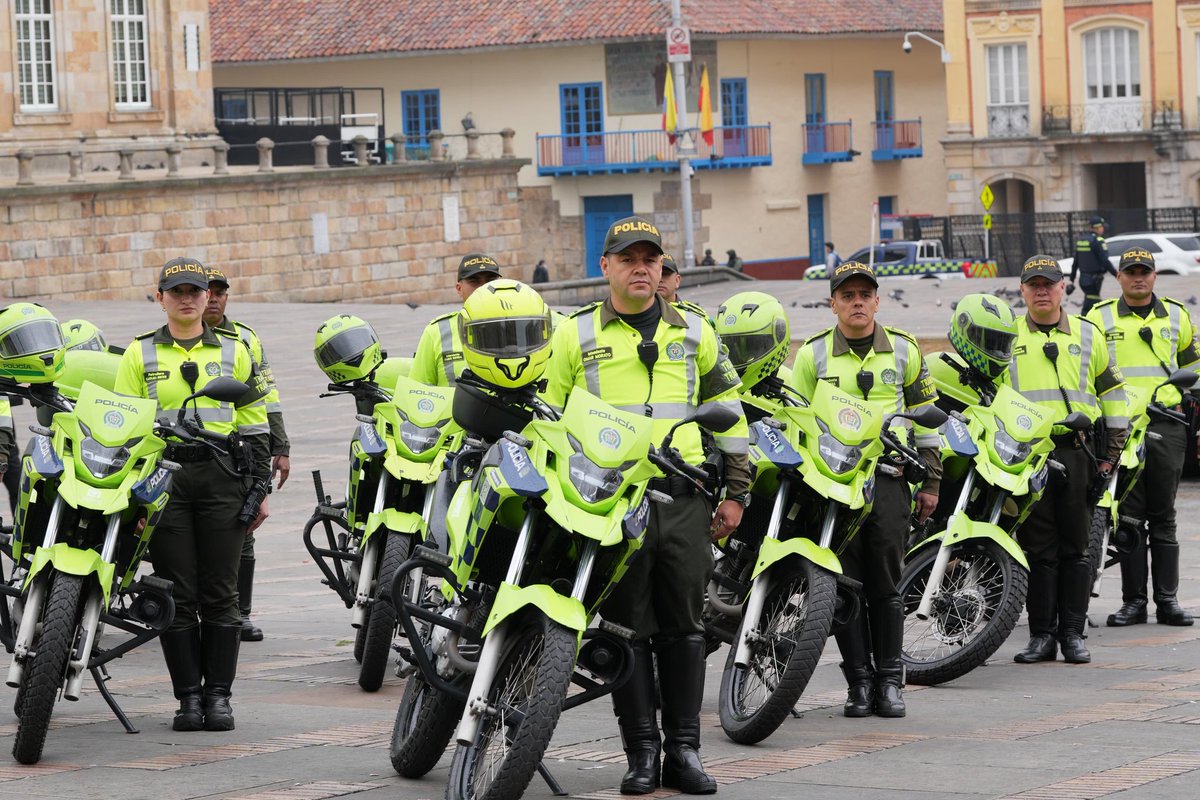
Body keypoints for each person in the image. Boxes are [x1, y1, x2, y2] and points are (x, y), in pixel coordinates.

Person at [543, 216, 751, 796]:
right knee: (626, 628)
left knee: (686, 628)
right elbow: (549, 418)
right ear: (605, 266)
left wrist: (736, 491)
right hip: (610, 502)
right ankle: (640, 754)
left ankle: (684, 752)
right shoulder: (573, 334)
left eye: (650, 259)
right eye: (627, 258)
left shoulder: (695, 333)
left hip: (683, 500)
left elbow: (730, 413)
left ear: (663, 269)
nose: (641, 267)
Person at [114, 257, 272, 732]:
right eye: (176, 291)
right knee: (176, 591)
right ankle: (187, 699)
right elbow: (122, 428)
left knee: (221, 591)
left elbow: (255, 422)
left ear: (208, 298)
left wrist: (259, 486)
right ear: (160, 297)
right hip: (165, 481)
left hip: (222, 477)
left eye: (195, 291)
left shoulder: (234, 351)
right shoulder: (138, 355)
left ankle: (219, 698)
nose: (186, 299)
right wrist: (130, 497)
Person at [789, 260, 942, 719]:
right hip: (832, 487)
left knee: (886, 585)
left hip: (889, 481)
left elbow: (927, 420)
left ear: (877, 301)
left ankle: (890, 682)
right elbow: (794, 419)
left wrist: (931, 480)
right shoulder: (811, 355)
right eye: (847, 295)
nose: (857, 302)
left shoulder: (904, 351)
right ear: (832, 302)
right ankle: (858, 683)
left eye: (865, 295)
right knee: (843, 587)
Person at [1009, 255, 1127, 665]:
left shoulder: (1089, 334)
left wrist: (1111, 456)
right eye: (1033, 284)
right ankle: (1041, 635)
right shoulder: (1008, 336)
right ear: (1022, 290)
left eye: (1050, 283)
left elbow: (1113, 396)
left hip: (1079, 452)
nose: (1042, 290)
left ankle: (1073, 634)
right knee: (1038, 549)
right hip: (1030, 456)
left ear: (1064, 288)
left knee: (1076, 547)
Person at [1086, 247, 1196, 627]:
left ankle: (1168, 601)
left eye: (1144, 271)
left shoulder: (1177, 315)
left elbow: (1194, 368)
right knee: (1128, 518)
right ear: (1118, 277)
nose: (1138, 277)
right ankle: (1134, 603)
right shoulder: (1098, 318)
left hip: (1165, 425)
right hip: (1119, 428)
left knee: (1163, 515)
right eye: (1131, 271)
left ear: (1154, 276)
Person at [203, 265, 292, 642]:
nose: (213, 298)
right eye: (206, 291)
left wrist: (280, 446)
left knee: (244, 529)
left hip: (236, 451)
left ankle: (239, 613)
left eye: (220, 291)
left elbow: (266, 394)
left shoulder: (246, 339)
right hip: (187, 449)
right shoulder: (170, 340)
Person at [410, 252, 501, 386]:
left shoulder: (518, 325)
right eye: (474, 281)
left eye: (490, 281)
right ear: (459, 289)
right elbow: (418, 390)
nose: (483, 288)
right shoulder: (436, 332)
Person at [1070, 216, 1114, 314]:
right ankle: (1085, 322)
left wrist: (1072, 279)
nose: (1103, 229)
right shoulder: (1098, 240)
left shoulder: (1082, 240)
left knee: (1091, 301)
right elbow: (1105, 261)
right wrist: (1117, 274)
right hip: (1094, 280)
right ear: (1098, 227)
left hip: (1083, 279)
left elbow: (1075, 262)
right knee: (1094, 304)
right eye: (1102, 227)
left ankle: (1087, 321)